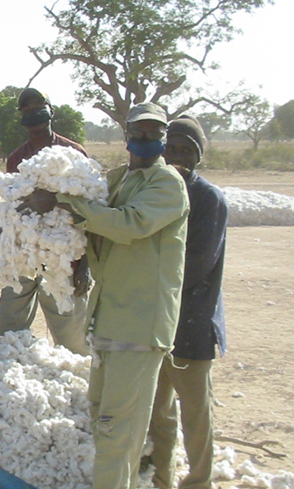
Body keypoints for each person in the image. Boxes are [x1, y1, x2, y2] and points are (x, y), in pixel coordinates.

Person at [19, 102, 189, 489]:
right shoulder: (117, 179)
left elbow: (128, 225)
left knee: (117, 428)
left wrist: (64, 202)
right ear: (126, 133)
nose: (146, 139)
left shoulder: (167, 185)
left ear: (163, 138)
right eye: (139, 131)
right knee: (101, 416)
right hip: (107, 316)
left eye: (155, 133)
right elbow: (90, 222)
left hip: (140, 322)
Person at [145, 115, 227, 489]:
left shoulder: (209, 199)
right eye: (172, 148)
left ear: (199, 157)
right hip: (154, 322)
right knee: (158, 413)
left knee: (195, 414)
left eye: (187, 151)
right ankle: (162, 479)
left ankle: (198, 482)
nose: (178, 156)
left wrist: (145, 283)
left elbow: (196, 264)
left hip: (191, 324)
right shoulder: (154, 190)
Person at [0, 88, 90, 355]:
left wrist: (85, 265)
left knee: (73, 339)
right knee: (8, 333)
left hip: (64, 259)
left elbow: (91, 211)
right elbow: (12, 209)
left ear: (51, 111)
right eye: (26, 110)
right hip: (24, 258)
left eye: (39, 107)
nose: (33, 114)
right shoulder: (16, 159)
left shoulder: (73, 153)